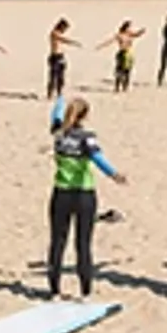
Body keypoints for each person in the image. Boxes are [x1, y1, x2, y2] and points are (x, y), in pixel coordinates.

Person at [48, 94, 125, 297]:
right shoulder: (86, 137)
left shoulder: (58, 133)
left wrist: (60, 99)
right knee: (83, 244)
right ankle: (85, 293)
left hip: (61, 192)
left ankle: (54, 291)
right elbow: (97, 158)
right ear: (85, 116)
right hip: (83, 194)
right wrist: (114, 174)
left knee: (58, 242)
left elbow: (55, 114)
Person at [97, 21, 145, 93]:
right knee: (119, 71)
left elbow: (136, 34)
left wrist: (141, 32)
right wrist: (101, 46)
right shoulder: (120, 35)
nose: (130, 29)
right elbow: (110, 41)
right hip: (122, 54)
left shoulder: (130, 34)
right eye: (129, 27)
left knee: (127, 71)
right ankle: (117, 87)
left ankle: (125, 87)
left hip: (128, 54)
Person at [47, 20, 79, 99]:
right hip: (55, 56)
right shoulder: (54, 33)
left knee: (61, 77)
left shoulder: (59, 34)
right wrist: (73, 42)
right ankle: (50, 94)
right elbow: (63, 39)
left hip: (61, 56)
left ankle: (59, 93)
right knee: (53, 76)